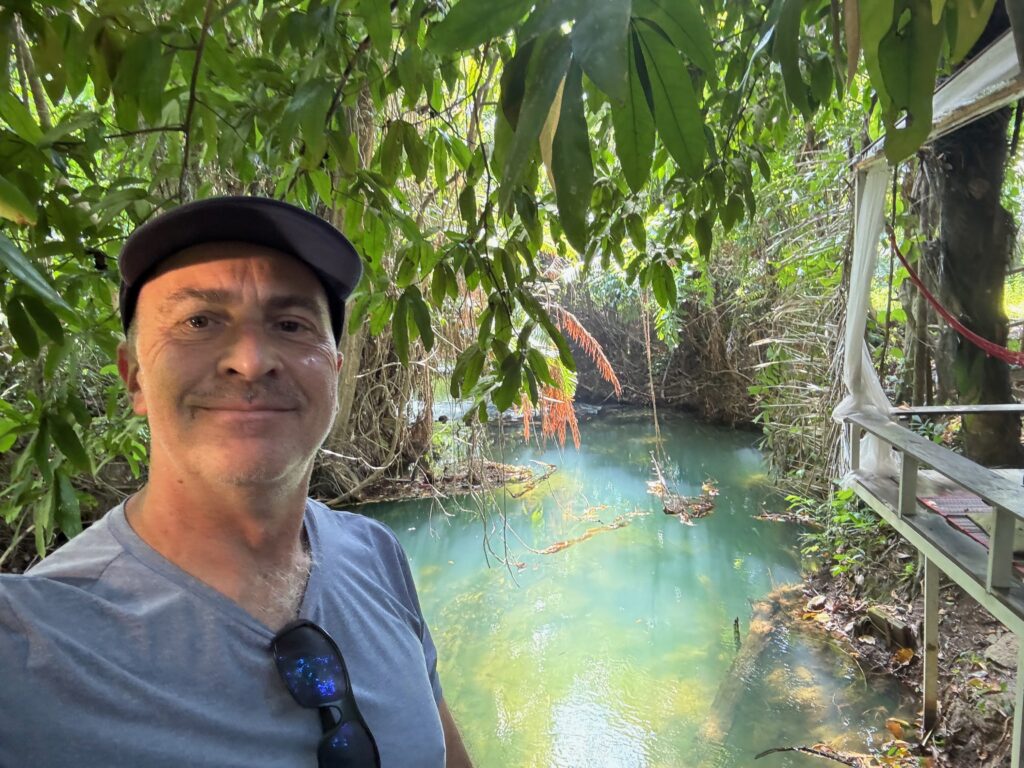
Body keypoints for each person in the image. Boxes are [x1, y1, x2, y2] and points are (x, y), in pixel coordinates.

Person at [0, 197, 474, 768]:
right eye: (199, 322)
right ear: (135, 378)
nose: (251, 360)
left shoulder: (376, 553)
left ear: (335, 373)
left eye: (291, 325)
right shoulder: (32, 644)